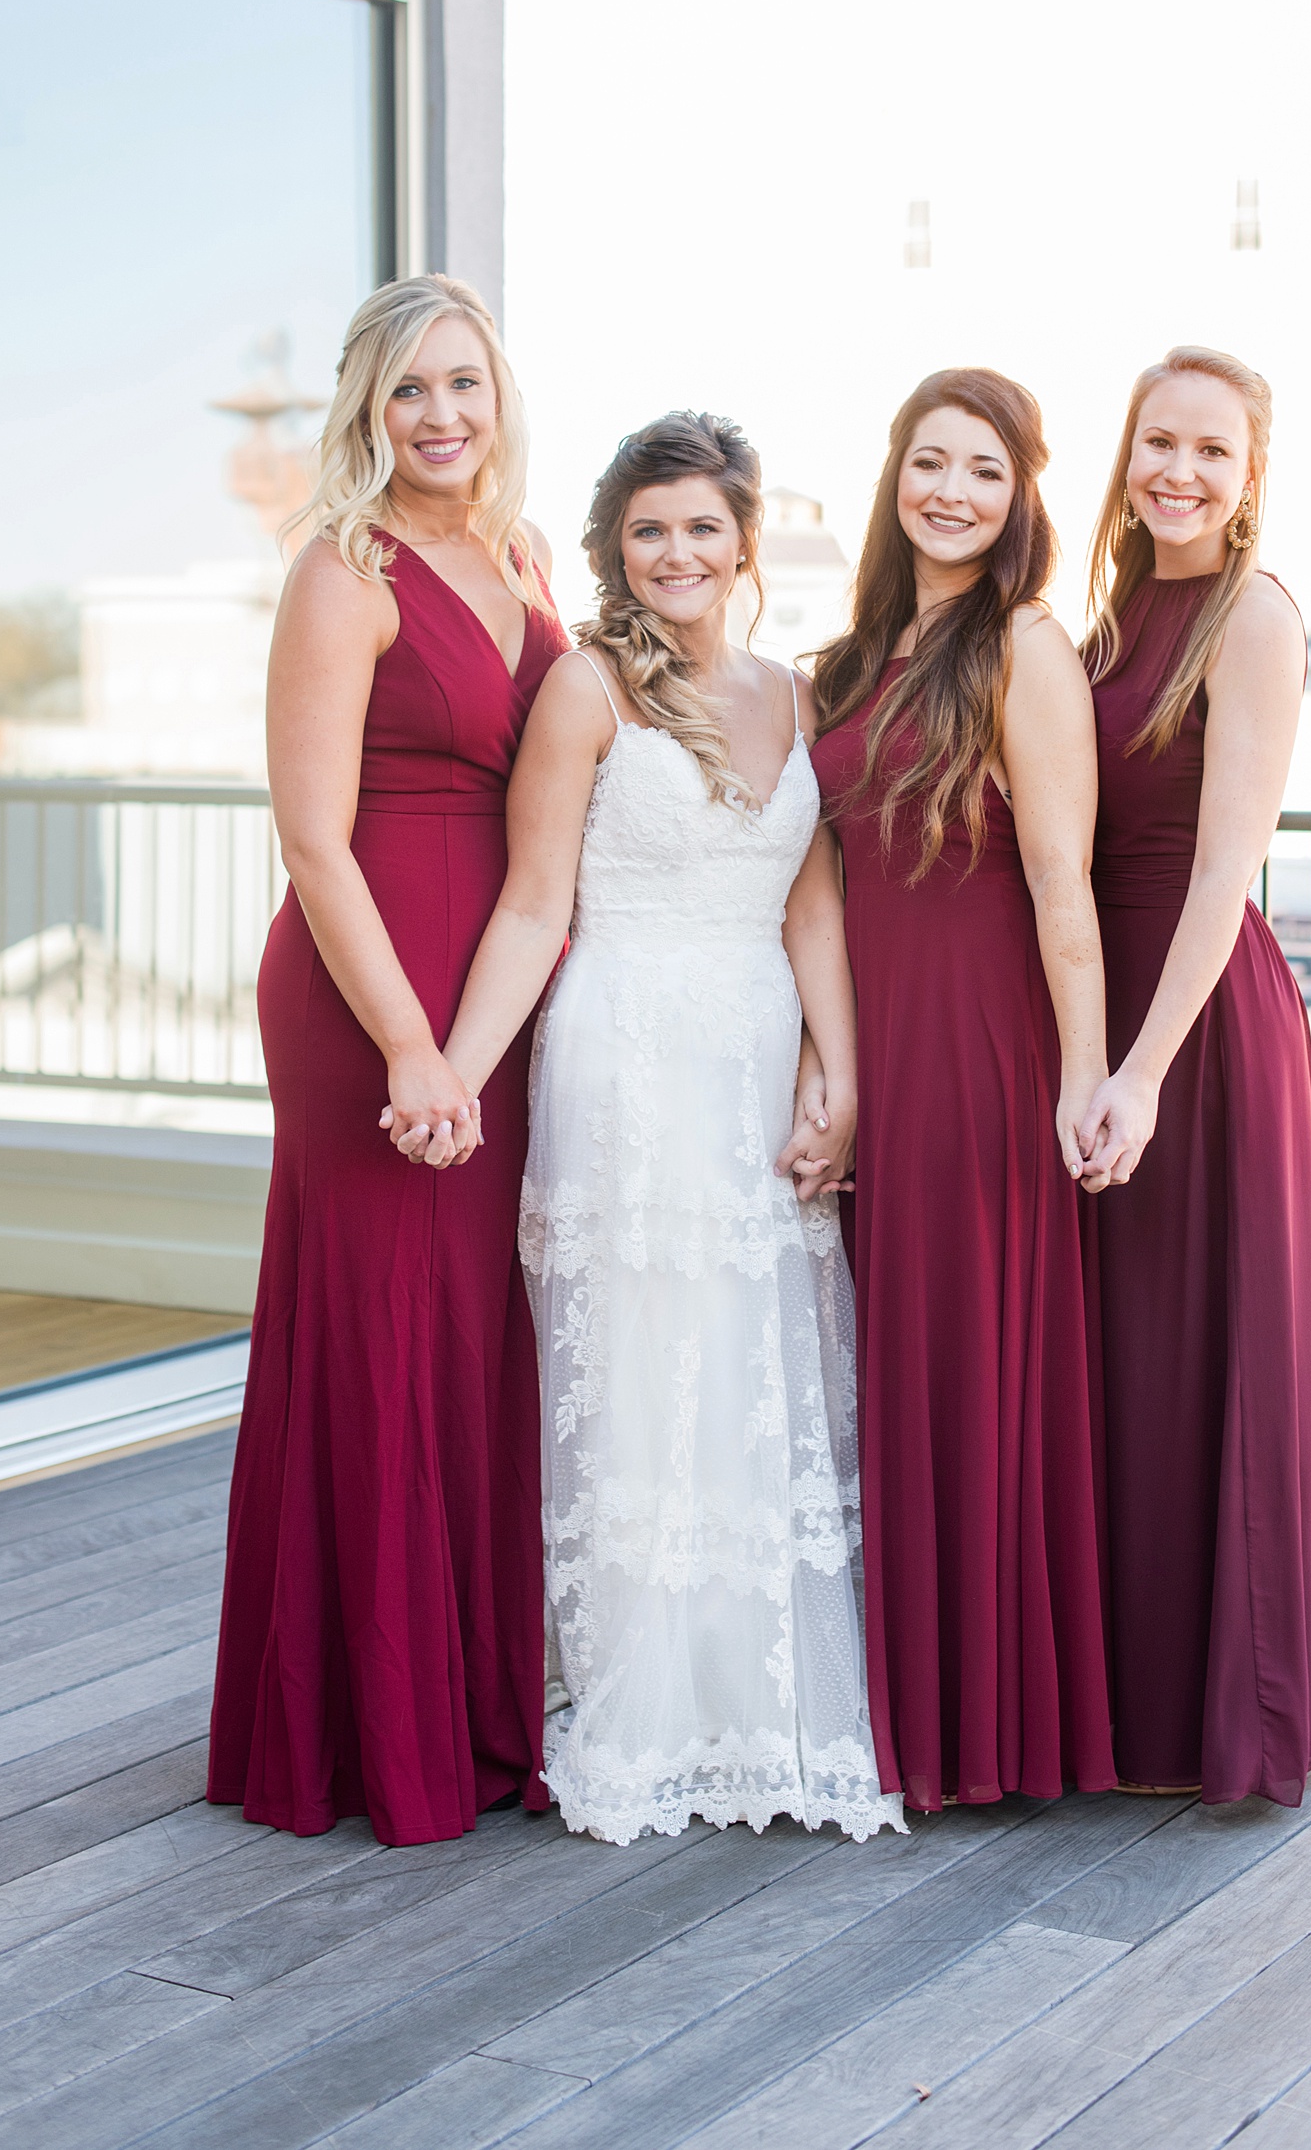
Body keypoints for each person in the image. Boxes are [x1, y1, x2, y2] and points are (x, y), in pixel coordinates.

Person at [402, 411, 901, 1848]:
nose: (675, 552)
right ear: (620, 548)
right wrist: (449, 1069)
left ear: (744, 537)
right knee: (638, 1371)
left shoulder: (799, 696)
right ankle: (642, 1708)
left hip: (755, 1048)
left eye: (699, 526)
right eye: (646, 530)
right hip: (623, 1055)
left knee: (760, 1354)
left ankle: (763, 1705)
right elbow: (533, 903)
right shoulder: (588, 689)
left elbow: (812, 905)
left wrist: (843, 1076)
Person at [208, 273, 564, 1846]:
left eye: (465, 385)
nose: (441, 416)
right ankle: (366, 1735)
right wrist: (413, 1046)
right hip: (372, 996)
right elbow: (311, 836)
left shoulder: (524, 558)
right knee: (382, 1339)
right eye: (411, 389)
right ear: (367, 406)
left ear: (500, 399)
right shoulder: (339, 574)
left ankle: (478, 1712)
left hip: (498, 987)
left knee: (478, 1340)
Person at [808, 367, 1116, 1816]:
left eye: (983, 470)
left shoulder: (1024, 650)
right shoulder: (854, 658)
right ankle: (892, 1701)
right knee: (884, 1368)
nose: (951, 490)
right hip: (875, 1038)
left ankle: (975, 1724)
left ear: (1021, 497)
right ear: (894, 477)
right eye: (929, 461)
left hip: (981, 1052)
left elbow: (1063, 885)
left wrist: (1088, 1070)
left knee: (964, 1369)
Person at [1077, 343, 1311, 1806]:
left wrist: (1142, 1066)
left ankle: (1226, 1710)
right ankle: (1124, 1698)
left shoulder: (1250, 617)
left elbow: (1220, 872)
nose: (1178, 469)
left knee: (1207, 1353)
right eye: (1157, 441)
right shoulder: (1109, 619)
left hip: (1192, 1021)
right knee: (1125, 1360)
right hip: (1102, 1018)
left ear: (1250, 479)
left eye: (1210, 450)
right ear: (1125, 455)